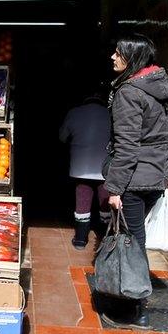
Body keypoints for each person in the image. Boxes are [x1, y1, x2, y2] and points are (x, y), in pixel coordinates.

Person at [101, 34, 168, 330]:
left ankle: (134, 308)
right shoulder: (163, 87)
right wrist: (166, 172)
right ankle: (132, 301)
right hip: (154, 176)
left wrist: (115, 187)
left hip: (132, 180)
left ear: (132, 58)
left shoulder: (129, 92)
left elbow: (127, 145)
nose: (112, 57)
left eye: (118, 53)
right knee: (136, 239)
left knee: (133, 244)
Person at [59, 88, 112, 249]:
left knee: (83, 198)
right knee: (105, 202)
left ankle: (81, 239)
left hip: (80, 167)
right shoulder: (111, 115)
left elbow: (62, 137)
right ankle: (104, 237)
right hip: (105, 167)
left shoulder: (74, 113)